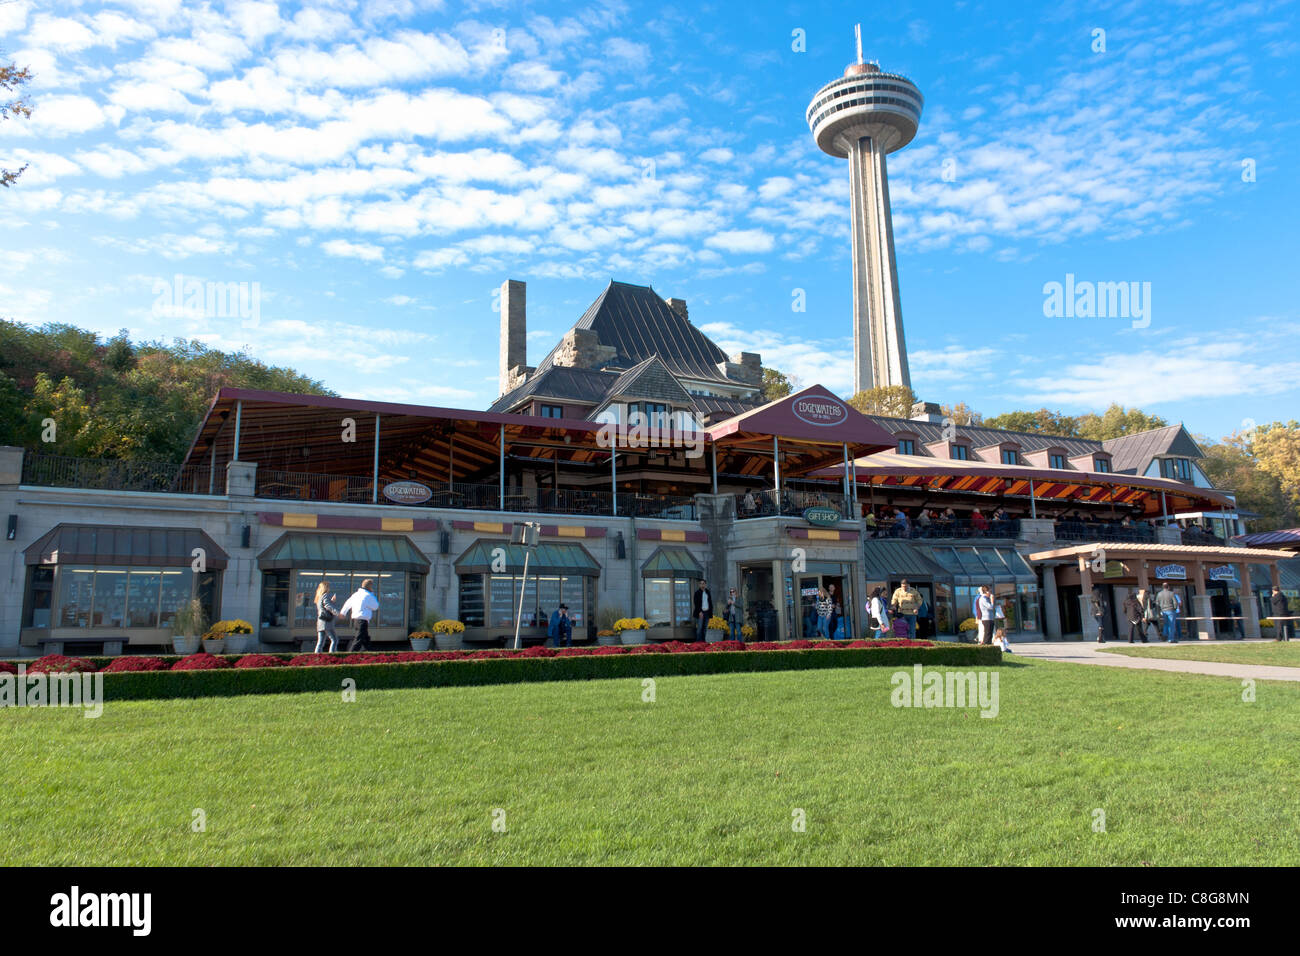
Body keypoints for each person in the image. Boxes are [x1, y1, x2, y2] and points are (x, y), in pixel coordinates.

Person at [339, 578, 379, 652]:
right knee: (359, 638)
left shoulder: (355, 594)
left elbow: (347, 603)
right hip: (363, 619)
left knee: (365, 638)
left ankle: (369, 652)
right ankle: (351, 654)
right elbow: (375, 606)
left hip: (356, 619)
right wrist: (372, 595)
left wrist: (343, 613)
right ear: (370, 586)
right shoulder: (368, 595)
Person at [313, 581, 341, 653]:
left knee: (320, 641)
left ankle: (316, 657)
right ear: (326, 587)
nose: (329, 588)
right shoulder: (325, 595)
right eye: (328, 586)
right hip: (327, 621)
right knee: (334, 639)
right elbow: (328, 606)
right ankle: (332, 655)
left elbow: (324, 606)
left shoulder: (318, 597)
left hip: (320, 622)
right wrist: (338, 613)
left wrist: (332, 601)